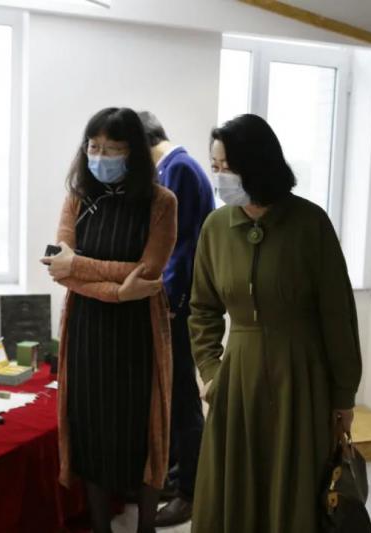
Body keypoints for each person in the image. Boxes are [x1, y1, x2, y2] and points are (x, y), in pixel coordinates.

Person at [189, 114, 362, 532]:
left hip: (301, 380)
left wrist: (343, 395)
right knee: (235, 488)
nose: (220, 176)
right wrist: (210, 370)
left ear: (257, 165)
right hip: (237, 379)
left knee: (296, 488)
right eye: (215, 166)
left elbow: (338, 315)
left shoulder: (310, 223)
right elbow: (202, 309)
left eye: (227, 167)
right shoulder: (215, 227)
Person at [41, 107, 177, 533]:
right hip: (87, 329)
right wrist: (118, 289)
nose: (100, 156)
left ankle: (145, 527)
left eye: (113, 149)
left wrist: (81, 266)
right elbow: (61, 269)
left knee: (143, 432)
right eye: (94, 147)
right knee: (91, 430)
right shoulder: (77, 198)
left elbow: (148, 273)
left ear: (133, 151)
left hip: (138, 332)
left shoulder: (161, 202)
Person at [137, 111, 215, 527]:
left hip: (179, 305)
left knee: (184, 399)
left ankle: (191, 491)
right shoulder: (172, 167)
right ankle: (175, 475)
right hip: (175, 301)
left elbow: (181, 247)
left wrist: (167, 298)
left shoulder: (179, 168)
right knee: (172, 395)